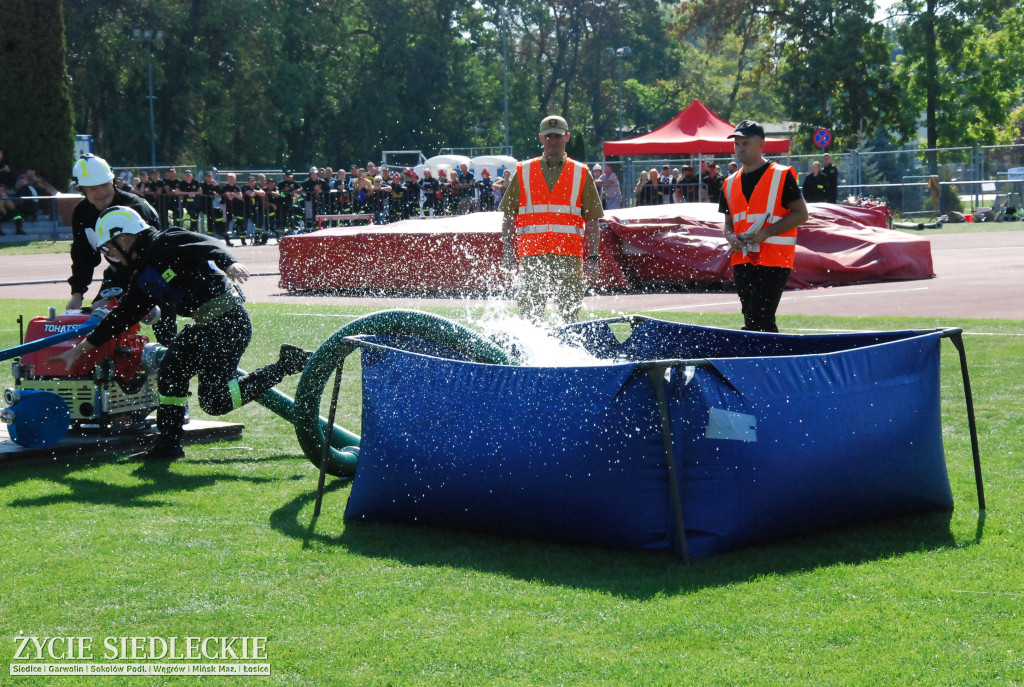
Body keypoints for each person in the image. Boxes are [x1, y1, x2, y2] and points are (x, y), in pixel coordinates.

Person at [49, 206, 313, 461]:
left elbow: (210, 245)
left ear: (124, 237)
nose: (109, 255)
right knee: (171, 372)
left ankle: (285, 364)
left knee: (215, 402)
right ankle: (168, 444)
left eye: (109, 247)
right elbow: (121, 316)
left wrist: (230, 264)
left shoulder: (167, 241)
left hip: (228, 322)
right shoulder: (142, 276)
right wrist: (81, 348)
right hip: (205, 326)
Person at [499, 115, 603, 324]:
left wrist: (593, 257)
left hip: (569, 254)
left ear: (567, 137)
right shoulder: (524, 170)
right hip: (532, 253)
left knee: (569, 314)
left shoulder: (581, 172)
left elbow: (592, 220)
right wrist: (508, 253)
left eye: (558, 136)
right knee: (530, 315)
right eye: (548, 136)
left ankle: (568, 354)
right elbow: (508, 216)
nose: (553, 141)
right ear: (541, 138)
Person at [67, 154, 178, 344]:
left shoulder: (135, 208)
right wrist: (77, 293)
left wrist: (123, 296)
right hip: (118, 273)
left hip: (155, 273)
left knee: (163, 327)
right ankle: (110, 366)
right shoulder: (81, 213)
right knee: (98, 317)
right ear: (82, 190)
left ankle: (169, 359)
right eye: (94, 188)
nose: (101, 192)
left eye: (104, 185)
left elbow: (148, 260)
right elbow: (83, 255)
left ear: (112, 180)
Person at [719, 120, 808, 333]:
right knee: (757, 320)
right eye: (737, 144)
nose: (740, 148)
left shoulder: (781, 174)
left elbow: (801, 214)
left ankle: (762, 359)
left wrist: (766, 233)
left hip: (774, 258)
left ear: (761, 144)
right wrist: (730, 237)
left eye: (746, 143)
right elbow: (728, 224)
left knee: (757, 316)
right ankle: (772, 359)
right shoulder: (729, 182)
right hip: (743, 259)